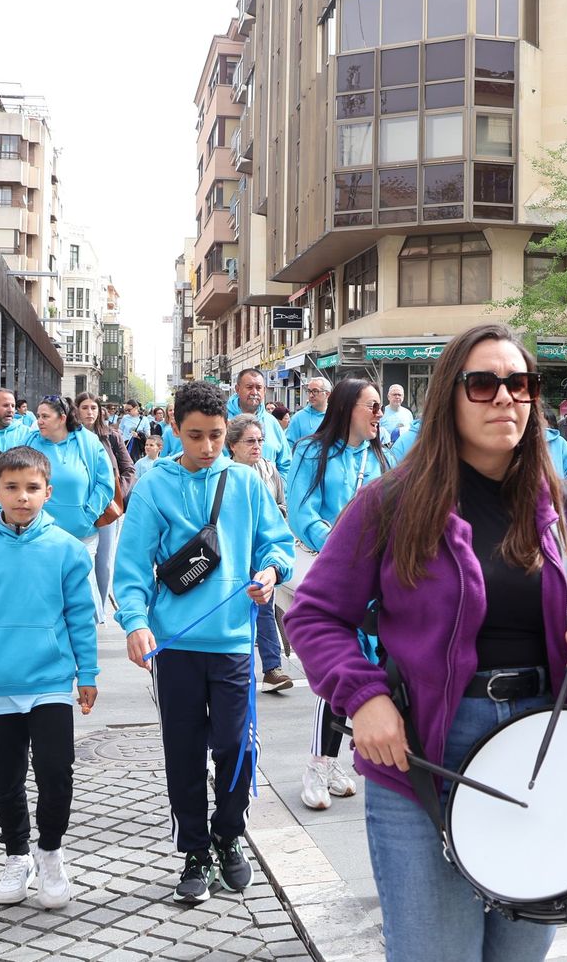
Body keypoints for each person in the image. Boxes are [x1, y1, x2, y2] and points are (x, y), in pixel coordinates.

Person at [286, 322, 567, 962]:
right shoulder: (390, 502)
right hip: (424, 757)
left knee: (519, 953)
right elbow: (313, 615)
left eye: (520, 383)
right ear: (450, 396)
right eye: (484, 383)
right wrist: (364, 699)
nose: (506, 398)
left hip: (544, 746)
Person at [114, 380, 294, 904]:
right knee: (184, 751)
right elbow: (130, 566)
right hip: (174, 645)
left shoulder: (244, 483)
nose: (208, 447)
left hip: (235, 641)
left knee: (236, 749)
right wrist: (134, 621)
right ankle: (194, 849)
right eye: (195, 436)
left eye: (216, 436)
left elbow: (277, 544)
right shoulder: (153, 485)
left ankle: (230, 834)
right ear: (174, 428)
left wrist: (270, 572)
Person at [0, 445, 98, 909]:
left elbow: (81, 616)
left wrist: (87, 672)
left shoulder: (67, 550)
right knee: (5, 782)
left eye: (32, 488)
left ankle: (50, 852)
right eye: (12, 487)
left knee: (55, 773)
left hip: (51, 681)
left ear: (48, 492)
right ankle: (16, 856)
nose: (22, 496)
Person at [287, 378, 389, 810]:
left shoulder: (381, 456)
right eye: (372, 406)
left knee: (367, 667)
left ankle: (334, 759)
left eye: (382, 407)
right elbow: (300, 509)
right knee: (338, 670)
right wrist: (337, 545)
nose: (379, 414)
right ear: (348, 408)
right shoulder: (312, 451)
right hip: (333, 576)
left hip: (378, 582)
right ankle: (316, 764)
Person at [22, 397, 115, 612]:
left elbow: (105, 483)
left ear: (62, 418)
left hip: (81, 533)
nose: (39, 421)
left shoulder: (89, 443)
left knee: (80, 594)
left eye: (45, 416)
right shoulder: (30, 442)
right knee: (44, 591)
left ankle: (83, 634)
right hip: (38, 533)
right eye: (38, 416)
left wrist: (88, 515)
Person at [227, 413, 293, 695]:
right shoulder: (224, 474)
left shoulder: (268, 469)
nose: (257, 446)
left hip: (262, 551)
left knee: (265, 607)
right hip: (232, 552)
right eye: (250, 441)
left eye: (260, 440)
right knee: (237, 609)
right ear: (233, 445)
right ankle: (236, 667)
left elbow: (282, 504)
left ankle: (272, 668)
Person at [78, 392, 135, 621]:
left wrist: (116, 491)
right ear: (76, 411)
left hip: (107, 509)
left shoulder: (111, 436)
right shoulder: (70, 437)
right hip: (78, 508)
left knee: (104, 560)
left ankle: (99, 610)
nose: (89, 412)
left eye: (93, 407)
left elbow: (129, 468)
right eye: (85, 407)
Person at [227, 369, 292, 479]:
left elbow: (285, 464)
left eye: (258, 388)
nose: (254, 392)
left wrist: (279, 488)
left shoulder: (272, 423)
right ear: (237, 389)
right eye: (249, 387)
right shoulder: (222, 421)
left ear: (264, 390)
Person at [286, 377, 333, 442]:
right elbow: (289, 446)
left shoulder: (335, 416)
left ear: (327, 394)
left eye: (315, 391)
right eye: (309, 391)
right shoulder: (298, 418)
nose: (311, 395)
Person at [379, 383, 413, 448]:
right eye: (394, 394)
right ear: (388, 397)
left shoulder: (408, 413)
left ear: (402, 397)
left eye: (399, 395)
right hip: (386, 452)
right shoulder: (381, 412)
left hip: (404, 451)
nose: (397, 397)